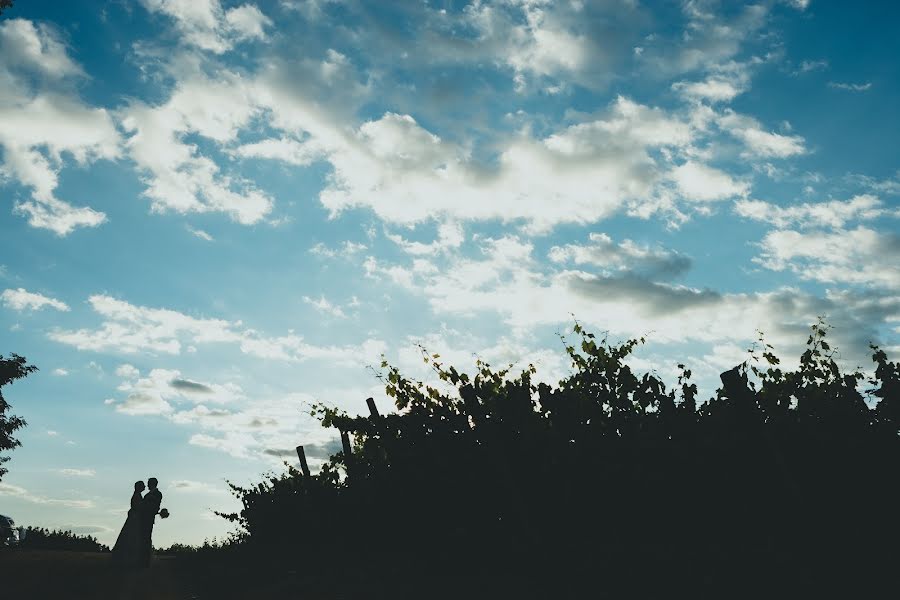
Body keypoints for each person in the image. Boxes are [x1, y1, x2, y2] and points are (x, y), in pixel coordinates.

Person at [111, 481, 145, 567]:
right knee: (131, 536)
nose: (145, 487)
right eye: (143, 486)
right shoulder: (137, 496)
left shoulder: (137, 495)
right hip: (134, 519)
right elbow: (137, 507)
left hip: (134, 518)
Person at [138, 477, 163, 567]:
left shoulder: (158, 494)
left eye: (148, 483)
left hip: (149, 518)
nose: (147, 485)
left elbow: (156, 506)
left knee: (146, 538)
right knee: (142, 538)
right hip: (142, 518)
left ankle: (145, 560)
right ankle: (141, 558)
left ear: (152, 484)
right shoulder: (147, 495)